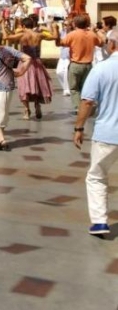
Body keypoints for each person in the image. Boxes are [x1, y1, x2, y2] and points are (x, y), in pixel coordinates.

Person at [73, 36, 118, 236]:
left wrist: (79, 128)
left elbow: (87, 101)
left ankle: (100, 222)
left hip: (108, 133)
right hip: (108, 132)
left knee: (97, 176)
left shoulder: (101, 69)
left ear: (112, 44)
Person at [4, 17, 53, 120]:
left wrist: (3, 27)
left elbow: (6, 38)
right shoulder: (39, 35)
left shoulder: (23, 35)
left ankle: (26, 110)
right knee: (36, 85)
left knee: (24, 87)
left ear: (23, 26)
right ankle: (37, 104)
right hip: (37, 62)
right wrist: (53, 27)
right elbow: (55, 36)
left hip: (25, 63)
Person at [53, 15, 103, 111]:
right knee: (85, 87)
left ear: (74, 24)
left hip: (75, 64)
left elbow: (59, 43)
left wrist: (56, 30)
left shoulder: (72, 34)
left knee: (74, 88)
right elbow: (101, 43)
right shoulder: (92, 34)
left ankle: (79, 108)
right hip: (88, 65)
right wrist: (96, 31)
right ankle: (87, 106)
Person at [56, 20, 73, 97]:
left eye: (66, 25)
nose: (65, 26)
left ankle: (67, 90)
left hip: (70, 56)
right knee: (58, 72)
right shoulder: (62, 32)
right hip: (62, 55)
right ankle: (66, 88)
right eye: (64, 25)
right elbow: (55, 37)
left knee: (66, 73)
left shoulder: (73, 33)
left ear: (71, 25)